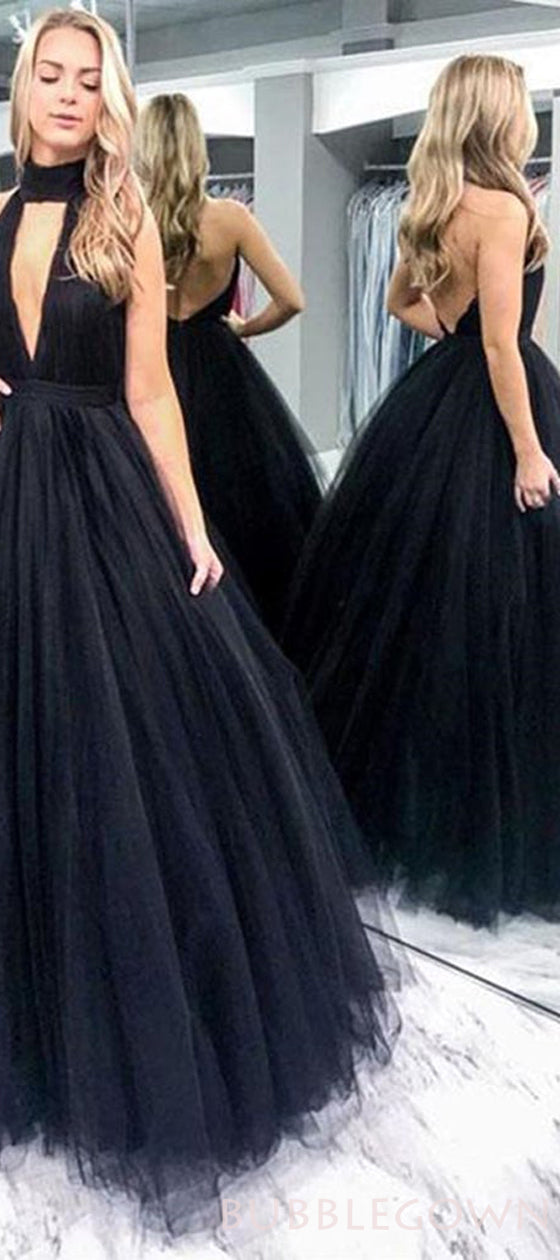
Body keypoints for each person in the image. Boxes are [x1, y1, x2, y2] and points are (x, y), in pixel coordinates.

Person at [0, 6, 400, 1241]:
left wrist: (194, 527)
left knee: (108, 752)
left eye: (85, 77)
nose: (65, 92)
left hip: (100, 495)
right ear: (21, 91)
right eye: (48, 74)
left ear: (108, 98)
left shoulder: (128, 226)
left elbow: (153, 392)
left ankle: (104, 1016)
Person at [283, 54, 560, 929]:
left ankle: (401, 803)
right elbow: (503, 345)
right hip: (495, 412)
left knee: (425, 609)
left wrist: (451, 331)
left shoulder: (433, 206)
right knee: (505, 612)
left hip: (434, 405)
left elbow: (402, 302)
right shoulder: (507, 208)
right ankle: (489, 820)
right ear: (501, 115)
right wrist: (528, 451)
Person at [134, 94, 323, 634]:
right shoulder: (230, 219)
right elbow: (292, 299)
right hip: (222, 372)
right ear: (197, 148)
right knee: (243, 508)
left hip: (150, 368)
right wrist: (243, 328)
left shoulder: (128, 222)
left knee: (156, 502)